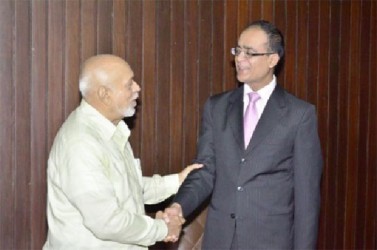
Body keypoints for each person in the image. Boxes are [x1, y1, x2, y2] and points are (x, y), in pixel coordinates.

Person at [165, 20, 323, 249]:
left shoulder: (299, 115)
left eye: (250, 53)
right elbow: (205, 172)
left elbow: (307, 198)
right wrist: (180, 206)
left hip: (271, 241)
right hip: (220, 240)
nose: (239, 58)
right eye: (238, 50)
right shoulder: (216, 107)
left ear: (272, 59)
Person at [43, 54, 201, 249]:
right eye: (129, 85)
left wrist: (177, 181)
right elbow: (106, 222)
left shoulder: (109, 130)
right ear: (105, 95)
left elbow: (126, 189)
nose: (137, 88)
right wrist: (162, 229)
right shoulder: (81, 144)